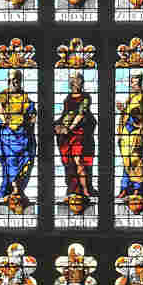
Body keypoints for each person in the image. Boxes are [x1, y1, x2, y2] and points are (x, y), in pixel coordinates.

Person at [0, 70, 36, 212]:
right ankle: (14, 190)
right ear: (8, 81)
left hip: (22, 134)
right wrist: (4, 119)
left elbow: (31, 111)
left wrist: (31, 118)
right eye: (11, 80)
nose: (14, 82)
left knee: (24, 162)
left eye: (16, 80)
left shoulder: (24, 96)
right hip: (9, 136)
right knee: (11, 162)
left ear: (20, 81)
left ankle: (18, 190)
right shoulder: (4, 94)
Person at [54, 73, 97, 203]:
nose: (76, 83)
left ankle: (85, 189)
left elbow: (81, 113)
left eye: (78, 81)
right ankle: (73, 189)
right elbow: (65, 114)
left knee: (79, 161)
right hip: (67, 135)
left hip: (80, 133)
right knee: (69, 163)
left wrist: (70, 128)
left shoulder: (85, 97)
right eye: (73, 81)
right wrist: (58, 125)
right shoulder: (68, 97)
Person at [116, 72, 143, 203]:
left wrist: (133, 114)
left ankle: (137, 188)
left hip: (138, 133)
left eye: (136, 82)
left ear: (141, 83)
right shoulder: (131, 97)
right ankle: (125, 187)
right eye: (132, 82)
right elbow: (128, 114)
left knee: (136, 160)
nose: (133, 84)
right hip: (127, 134)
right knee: (127, 160)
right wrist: (123, 110)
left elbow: (141, 114)